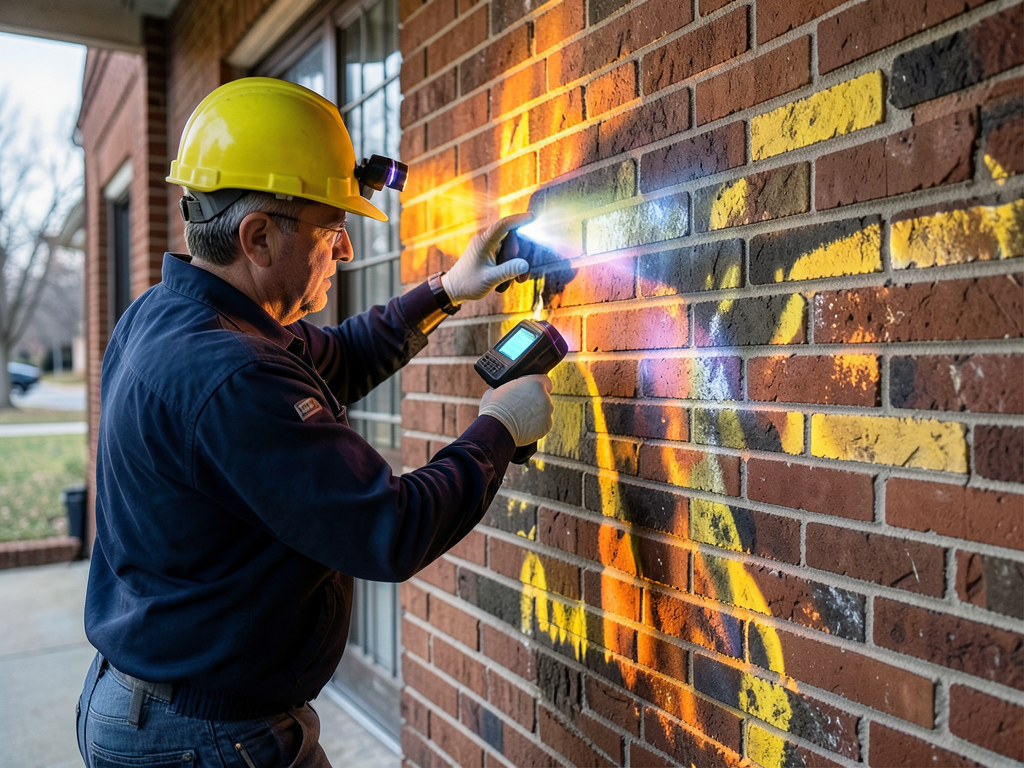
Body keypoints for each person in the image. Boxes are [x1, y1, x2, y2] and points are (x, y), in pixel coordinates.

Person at [77, 77, 554, 767]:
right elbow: (387, 528)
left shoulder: (178, 316)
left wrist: (447, 290)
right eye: (333, 229)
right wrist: (498, 430)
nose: (348, 251)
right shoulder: (232, 373)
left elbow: (341, 355)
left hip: (158, 705)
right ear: (259, 236)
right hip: (205, 737)